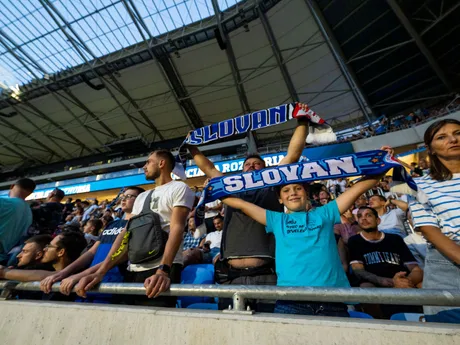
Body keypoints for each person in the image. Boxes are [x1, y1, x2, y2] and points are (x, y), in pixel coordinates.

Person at [219, 166, 389, 317]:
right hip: (290, 303)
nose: (292, 192)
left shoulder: (325, 213)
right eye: (286, 190)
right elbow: (240, 204)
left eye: (298, 188)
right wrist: (214, 188)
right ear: (280, 199)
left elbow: (358, 188)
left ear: (306, 194)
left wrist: (382, 165)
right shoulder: (276, 219)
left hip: (332, 301)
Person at [187, 104, 310, 312]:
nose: (252, 166)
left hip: (267, 273)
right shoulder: (229, 188)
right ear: (241, 171)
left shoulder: (272, 187)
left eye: (257, 164)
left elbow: (292, 156)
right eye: (247, 165)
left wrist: (303, 121)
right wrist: (191, 147)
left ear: (266, 170)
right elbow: (208, 168)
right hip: (231, 276)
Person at [73, 150, 194, 307]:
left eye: (148, 162)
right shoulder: (142, 197)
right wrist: (101, 271)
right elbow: (127, 234)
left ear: (161, 163)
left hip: (160, 269)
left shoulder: (179, 188)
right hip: (133, 269)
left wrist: (163, 270)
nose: (144, 166)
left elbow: (177, 228)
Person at [40, 186, 144, 301]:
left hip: (112, 282)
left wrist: (80, 275)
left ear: (141, 200)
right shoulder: (112, 224)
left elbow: (121, 256)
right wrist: (64, 273)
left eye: (129, 196)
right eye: (123, 196)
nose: (123, 200)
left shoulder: (140, 225)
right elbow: (91, 252)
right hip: (87, 282)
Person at [408, 119, 460, 323]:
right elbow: (429, 230)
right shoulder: (419, 185)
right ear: (430, 149)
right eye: (442, 137)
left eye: (458, 133)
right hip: (447, 267)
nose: (453, 139)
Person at [349, 206, 423, 318]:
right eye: (360, 216)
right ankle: (381, 324)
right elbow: (358, 270)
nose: (363, 219)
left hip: (402, 279)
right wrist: (385, 281)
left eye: (368, 215)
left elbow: (415, 269)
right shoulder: (355, 241)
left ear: (378, 220)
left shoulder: (395, 239)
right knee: (366, 288)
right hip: (376, 283)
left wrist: (406, 281)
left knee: (422, 284)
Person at [0, 231, 87, 282]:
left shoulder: (72, 276)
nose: (45, 249)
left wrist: (5, 272)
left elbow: (48, 275)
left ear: (61, 252)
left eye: (49, 246)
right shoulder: (41, 269)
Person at [0, 178, 36, 265]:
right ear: (30, 193)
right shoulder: (29, 212)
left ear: (12, 186)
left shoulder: (3, 202)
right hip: (5, 257)